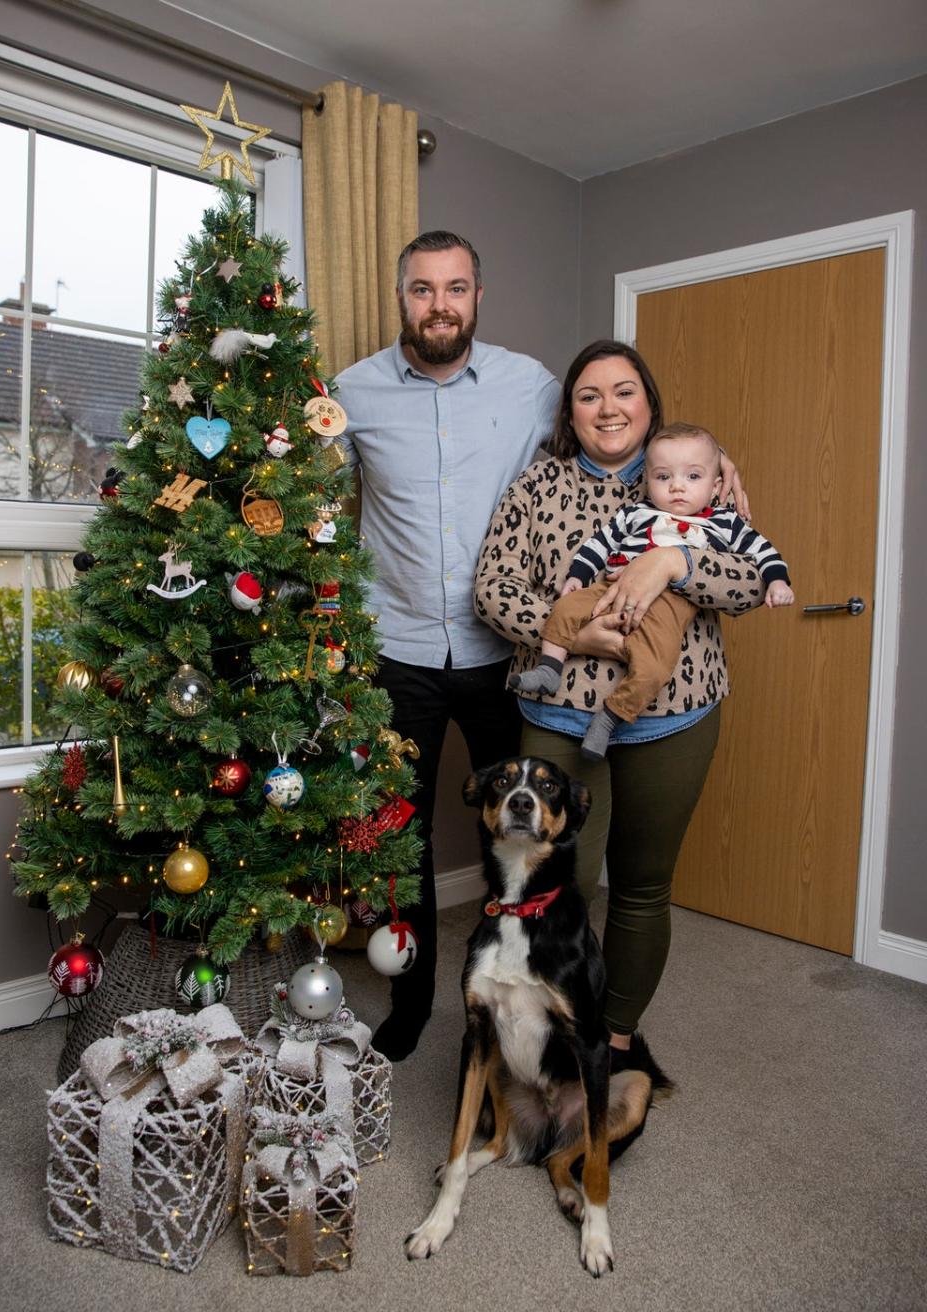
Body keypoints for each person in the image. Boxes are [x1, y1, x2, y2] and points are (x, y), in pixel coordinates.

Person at [474, 340, 764, 1065]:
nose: (609, 407)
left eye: (625, 391)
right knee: (551, 888)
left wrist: (677, 557)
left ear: (649, 404)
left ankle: (615, 1038)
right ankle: (545, 1027)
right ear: (570, 414)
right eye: (590, 394)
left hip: (674, 717)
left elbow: (750, 584)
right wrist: (576, 630)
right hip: (559, 722)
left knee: (640, 887)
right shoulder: (537, 488)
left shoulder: (693, 478)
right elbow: (492, 589)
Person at [333, 231, 562, 1061]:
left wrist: (713, 475)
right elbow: (303, 497)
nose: (440, 305)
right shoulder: (352, 390)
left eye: (456, 288)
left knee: (516, 833)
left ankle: (521, 987)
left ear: (477, 295)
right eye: (424, 289)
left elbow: (614, 444)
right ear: (403, 296)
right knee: (403, 836)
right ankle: (412, 1000)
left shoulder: (530, 386)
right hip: (396, 653)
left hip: (506, 655)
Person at [511, 421, 793, 758]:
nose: (677, 487)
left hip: (667, 606)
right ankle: (549, 670)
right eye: (663, 477)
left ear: (716, 484)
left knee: (654, 667)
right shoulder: (636, 512)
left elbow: (762, 553)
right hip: (610, 588)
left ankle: (611, 717)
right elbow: (599, 544)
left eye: (692, 477)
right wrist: (578, 574)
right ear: (649, 480)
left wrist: (778, 581)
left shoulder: (724, 521)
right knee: (566, 607)